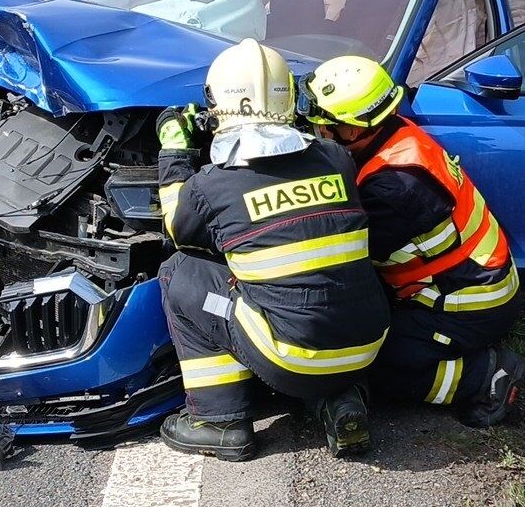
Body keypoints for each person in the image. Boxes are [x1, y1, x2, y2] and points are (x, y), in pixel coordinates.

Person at [156, 39, 391, 462]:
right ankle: (341, 401)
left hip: (292, 360)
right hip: (370, 345)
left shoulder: (211, 184)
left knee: (180, 272)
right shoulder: (337, 158)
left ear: (217, 103)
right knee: (313, 288)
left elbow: (178, 229)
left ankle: (219, 420)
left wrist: (174, 151)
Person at [304, 55, 525, 426]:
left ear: (353, 131)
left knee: (359, 361)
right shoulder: (394, 135)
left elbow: (343, 255)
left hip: (466, 307)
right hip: (467, 283)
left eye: (323, 123)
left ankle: (483, 377)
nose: (316, 129)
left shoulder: (395, 188)